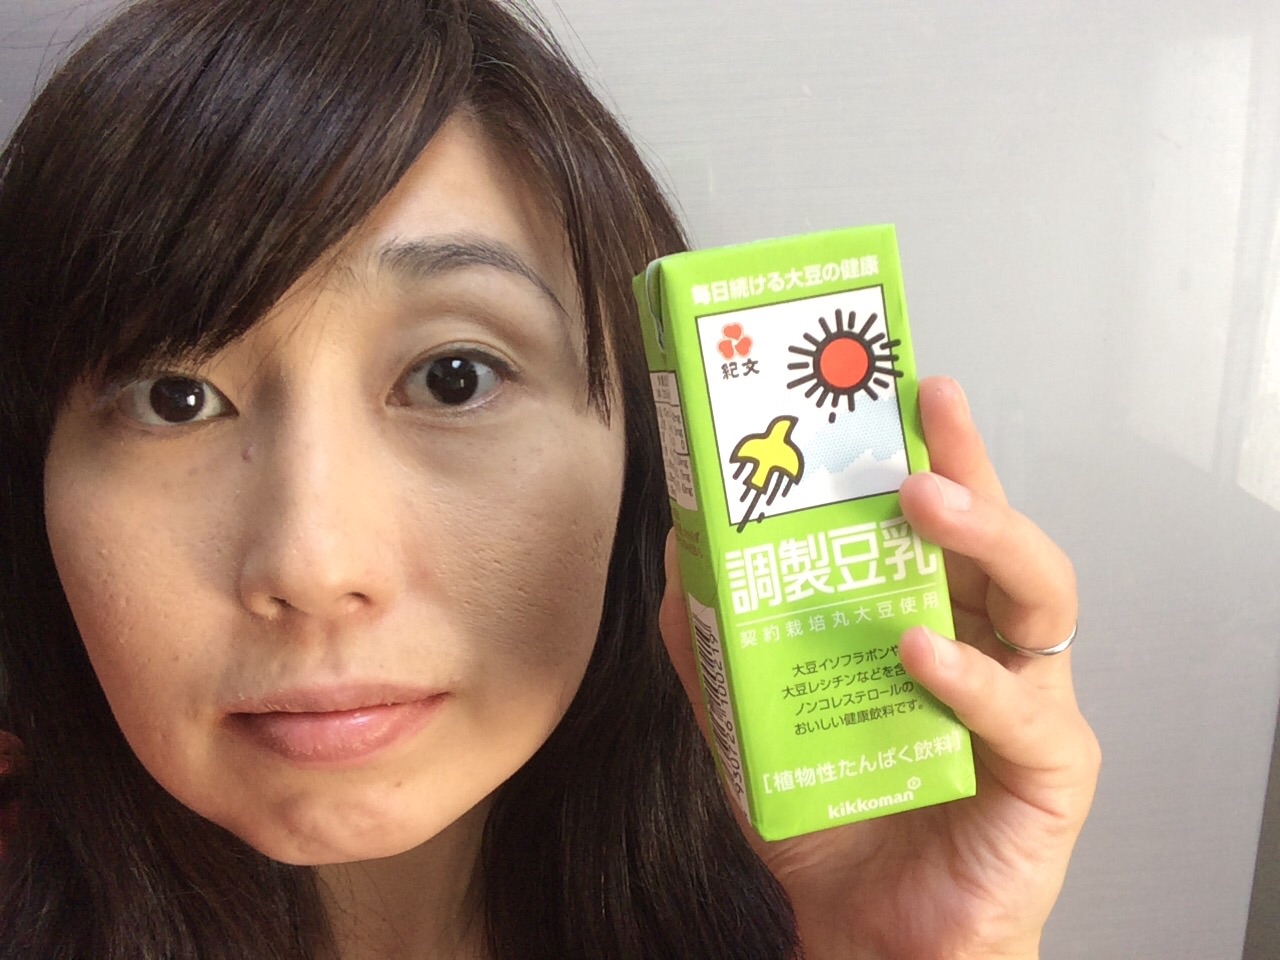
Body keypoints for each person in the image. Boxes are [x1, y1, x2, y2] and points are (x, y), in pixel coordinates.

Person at [0, 0, 1100, 957]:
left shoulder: (793, 915)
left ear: (655, 452)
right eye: (174, 398)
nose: (315, 564)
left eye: (454, 376)